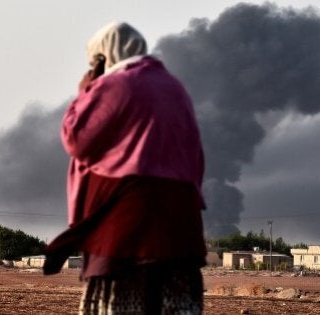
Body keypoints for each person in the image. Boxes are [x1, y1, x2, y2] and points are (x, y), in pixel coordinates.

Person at [43, 22, 207, 314]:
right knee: (173, 301)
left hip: (129, 222)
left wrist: (85, 93)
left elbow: (77, 140)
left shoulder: (115, 85)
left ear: (104, 56)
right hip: (181, 220)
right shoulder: (173, 86)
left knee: (121, 301)